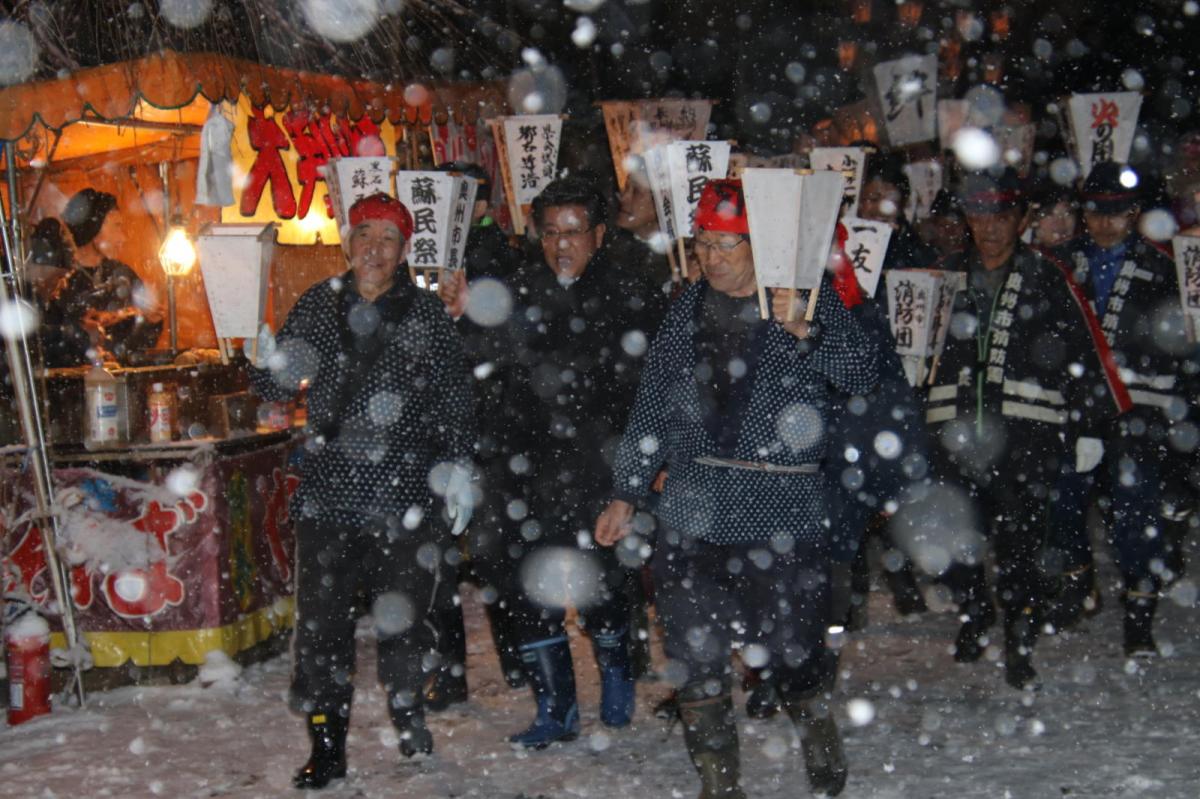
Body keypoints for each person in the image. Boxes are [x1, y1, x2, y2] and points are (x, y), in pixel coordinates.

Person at [595, 179, 878, 798]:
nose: (711, 258)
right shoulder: (686, 309)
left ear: (759, 245)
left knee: (793, 649)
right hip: (693, 509)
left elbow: (864, 372)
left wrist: (809, 332)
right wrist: (628, 490)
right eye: (704, 245)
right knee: (695, 657)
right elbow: (652, 405)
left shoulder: (803, 297)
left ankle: (815, 724)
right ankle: (719, 784)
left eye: (727, 246)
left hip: (781, 510)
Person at [248, 193, 476, 789]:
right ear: (348, 242)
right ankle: (327, 745)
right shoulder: (319, 306)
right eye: (365, 235)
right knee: (322, 627)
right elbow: (274, 382)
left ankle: (408, 711)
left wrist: (457, 465)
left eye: (388, 239)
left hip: (406, 493)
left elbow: (454, 398)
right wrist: (260, 355)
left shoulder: (426, 316)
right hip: (329, 493)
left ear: (403, 252)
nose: (374, 249)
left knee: (405, 621)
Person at [921, 168, 1130, 690]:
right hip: (955, 435)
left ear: (1020, 220)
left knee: (1021, 545)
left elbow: (1085, 352)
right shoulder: (940, 279)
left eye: (1000, 216)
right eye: (978, 215)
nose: (989, 227)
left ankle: (1019, 637)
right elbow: (911, 354)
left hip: (1027, 439)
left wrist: (1087, 427)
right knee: (957, 541)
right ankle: (974, 611)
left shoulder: (1048, 276)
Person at [1044, 161, 1194, 655]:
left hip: (1139, 409)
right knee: (1062, 503)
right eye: (1096, 212)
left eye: (1117, 212)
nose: (1106, 223)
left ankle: (1139, 612)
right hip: (1075, 408)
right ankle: (1078, 586)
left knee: (1137, 514)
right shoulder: (1060, 264)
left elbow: (1177, 345)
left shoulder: (1163, 267)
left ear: (1134, 214)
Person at [425, 161, 528, 710]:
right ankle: (472, 667)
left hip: (486, 434)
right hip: (448, 435)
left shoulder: (497, 261)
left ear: (479, 207)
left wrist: (463, 321)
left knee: (489, 557)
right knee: (450, 558)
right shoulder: (430, 262)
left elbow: (506, 351)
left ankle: (504, 660)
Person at [48, 188, 162, 364]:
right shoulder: (59, 281)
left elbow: (137, 347)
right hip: (76, 384)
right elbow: (56, 347)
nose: (122, 238)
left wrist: (151, 322)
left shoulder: (123, 276)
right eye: (116, 226)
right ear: (92, 228)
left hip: (119, 381)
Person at [858, 153, 939, 272]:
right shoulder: (843, 242)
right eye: (873, 199)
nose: (881, 208)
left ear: (903, 203)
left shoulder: (916, 252)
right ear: (859, 201)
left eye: (890, 201)